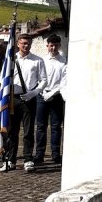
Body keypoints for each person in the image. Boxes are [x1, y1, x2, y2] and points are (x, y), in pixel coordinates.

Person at [0, 34, 45, 172]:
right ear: (18, 44)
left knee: (28, 130)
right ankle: (11, 159)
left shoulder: (37, 60)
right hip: (13, 98)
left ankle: (28, 159)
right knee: (12, 131)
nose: (25, 46)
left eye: (28, 43)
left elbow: (43, 80)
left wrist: (33, 93)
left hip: (29, 98)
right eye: (23, 43)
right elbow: (3, 78)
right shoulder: (11, 60)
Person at [30, 33, 66, 170]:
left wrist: (52, 93)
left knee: (56, 127)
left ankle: (56, 154)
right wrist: (43, 91)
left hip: (56, 96)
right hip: (42, 95)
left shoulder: (64, 61)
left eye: (56, 45)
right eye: (51, 45)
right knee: (40, 126)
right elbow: (38, 78)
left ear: (59, 46)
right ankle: (39, 154)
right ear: (47, 46)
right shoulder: (42, 61)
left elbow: (64, 81)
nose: (53, 48)